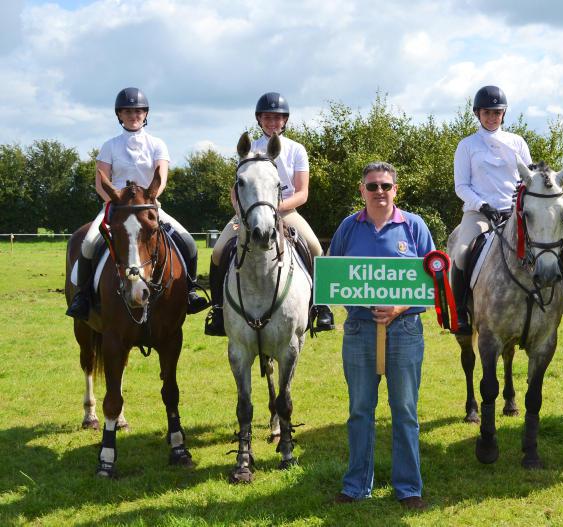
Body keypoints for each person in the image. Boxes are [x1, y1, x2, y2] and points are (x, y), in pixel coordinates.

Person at [330, 162, 435, 510]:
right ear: (362, 190)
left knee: (404, 410)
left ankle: (408, 488)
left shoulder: (415, 226)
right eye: (372, 186)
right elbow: (333, 276)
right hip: (359, 330)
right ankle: (357, 484)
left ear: (396, 189)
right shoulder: (349, 227)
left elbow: (431, 280)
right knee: (360, 409)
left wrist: (398, 308)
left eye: (385, 186)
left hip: (404, 330)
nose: (379, 192)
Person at [450, 85, 563, 334]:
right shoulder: (467, 145)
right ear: (478, 113)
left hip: (514, 213)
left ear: (503, 114)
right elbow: (462, 186)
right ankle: (460, 313)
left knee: (556, 248)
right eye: (487, 112)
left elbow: (528, 179)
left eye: (497, 112)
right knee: (461, 252)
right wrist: (483, 206)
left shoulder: (517, 142)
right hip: (478, 213)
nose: (492, 117)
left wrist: (519, 205)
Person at [66, 87, 208, 320]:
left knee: (188, 242)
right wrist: (117, 202)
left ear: (145, 114)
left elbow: (160, 177)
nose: (134, 115)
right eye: (128, 111)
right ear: (119, 115)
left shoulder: (157, 144)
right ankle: (83, 297)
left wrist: (150, 199)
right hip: (116, 208)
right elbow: (101, 183)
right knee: (88, 244)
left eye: (138, 111)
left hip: (149, 208)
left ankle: (190, 292)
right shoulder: (109, 146)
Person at [204, 92, 334, 336]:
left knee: (316, 249)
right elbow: (237, 189)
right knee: (218, 251)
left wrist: (275, 209)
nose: (272, 122)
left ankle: (321, 307)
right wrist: (240, 212)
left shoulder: (297, 150)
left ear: (285, 120)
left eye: (277, 117)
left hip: (286, 211)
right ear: (259, 119)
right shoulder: (249, 149)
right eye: (267, 117)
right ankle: (219, 310)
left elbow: (303, 192)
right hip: (249, 214)